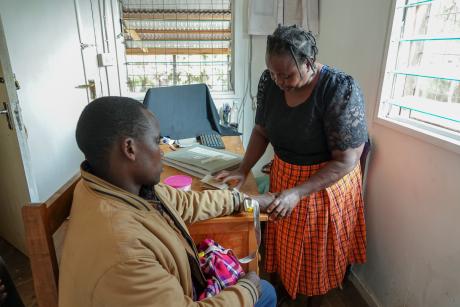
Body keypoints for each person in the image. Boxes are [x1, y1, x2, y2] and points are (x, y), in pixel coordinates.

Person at [59, 96, 276, 307]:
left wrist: (244, 200)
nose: (162, 152)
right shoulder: (123, 253)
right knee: (264, 291)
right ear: (130, 148)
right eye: (156, 141)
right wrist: (247, 289)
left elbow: (185, 202)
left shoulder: (116, 186)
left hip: (168, 291)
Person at [216, 25, 367, 306]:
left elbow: (347, 159)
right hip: (286, 175)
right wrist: (242, 168)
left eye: (287, 74)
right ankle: (286, 291)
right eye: (273, 73)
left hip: (325, 184)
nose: (279, 81)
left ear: (308, 64)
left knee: (315, 255)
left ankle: (313, 300)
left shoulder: (337, 88)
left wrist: (298, 192)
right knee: (286, 246)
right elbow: (261, 131)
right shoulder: (269, 82)